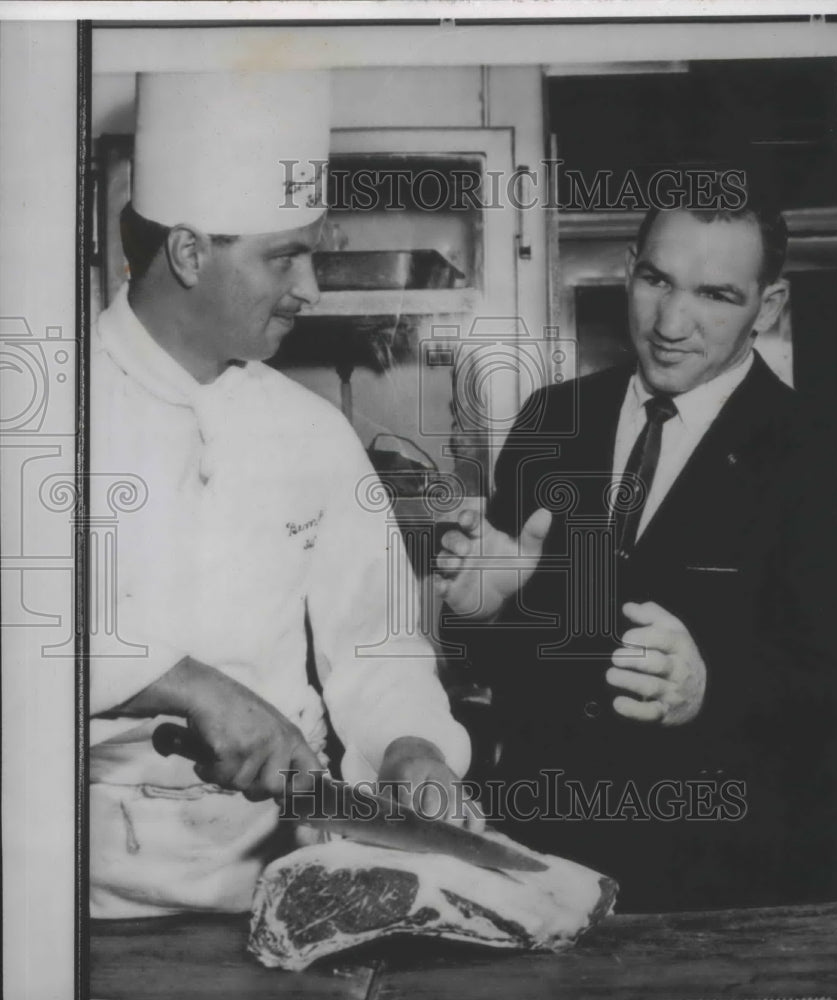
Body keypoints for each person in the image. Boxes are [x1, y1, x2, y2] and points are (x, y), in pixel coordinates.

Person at [89, 70, 477, 919]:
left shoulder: (310, 432)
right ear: (190, 251)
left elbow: (376, 643)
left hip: (279, 878)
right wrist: (186, 684)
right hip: (76, 900)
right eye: (283, 255)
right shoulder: (47, 407)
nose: (311, 288)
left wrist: (413, 750)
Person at [437, 202, 837, 911]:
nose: (670, 323)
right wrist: (485, 605)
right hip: (543, 854)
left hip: (727, 881)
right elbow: (490, 662)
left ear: (770, 305)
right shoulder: (550, 420)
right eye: (657, 280)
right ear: (629, 271)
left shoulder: (825, 450)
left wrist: (713, 689)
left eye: (716, 295)